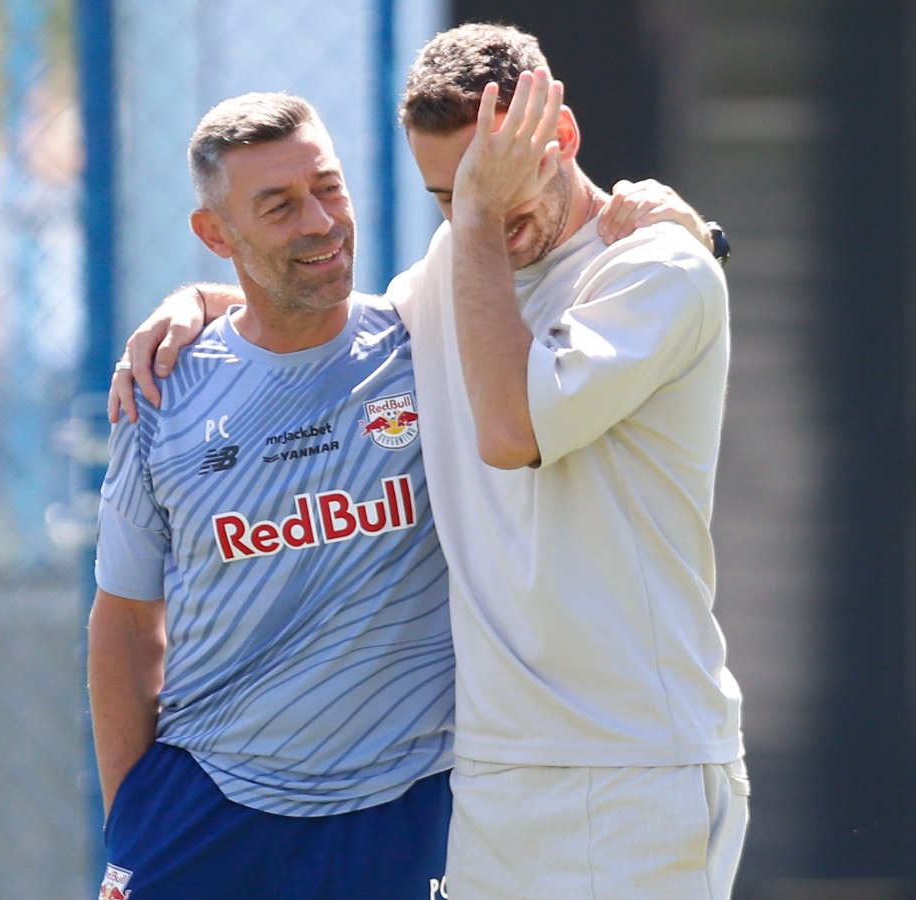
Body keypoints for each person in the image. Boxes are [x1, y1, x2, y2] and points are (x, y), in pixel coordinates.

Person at [112, 22, 745, 898]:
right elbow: (348, 324)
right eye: (446, 195)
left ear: (559, 139)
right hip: (487, 775)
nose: (473, 214)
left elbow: (510, 429)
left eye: (491, 183)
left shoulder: (656, 269)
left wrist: (487, 219)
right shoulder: (463, 263)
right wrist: (209, 297)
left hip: (635, 765)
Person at [89, 91, 459, 899]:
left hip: (401, 806)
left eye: (327, 188)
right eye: (279, 206)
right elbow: (124, 617)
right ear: (215, 233)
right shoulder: (162, 392)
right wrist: (133, 815)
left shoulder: (425, 344)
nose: (320, 222)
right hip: (207, 803)